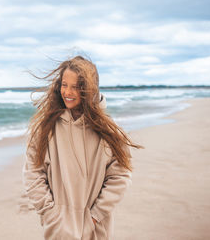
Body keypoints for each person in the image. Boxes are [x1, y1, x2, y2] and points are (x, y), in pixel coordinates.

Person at [23, 56, 142, 240]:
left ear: (89, 89)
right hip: (58, 230)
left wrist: (94, 216)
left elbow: (120, 176)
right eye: (64, 84)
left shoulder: (109, 132)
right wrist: (50, 214)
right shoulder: (45, 129)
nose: (68, 92)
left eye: (76, 86)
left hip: (96, 230)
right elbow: (33, 173)